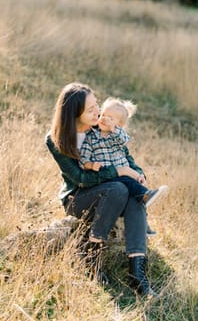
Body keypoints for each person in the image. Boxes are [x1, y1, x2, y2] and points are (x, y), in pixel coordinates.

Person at [46, 82, 156, 297]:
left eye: (96, 105)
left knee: (134, 196)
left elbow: (127, 159)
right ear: (74, 114)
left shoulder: (103, 126)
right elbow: (80, 179)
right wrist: (120, 171)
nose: (98, 112)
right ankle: (91, 259)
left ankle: (137, 273)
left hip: (113, 193)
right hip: (79, 198)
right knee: (118, 188)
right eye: (91, 110)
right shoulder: (56, 139)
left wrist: (136, 173)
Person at [78, 97, 168, 236]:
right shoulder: (91, 137)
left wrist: (114, 128)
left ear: (118, 125)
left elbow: (125, 139)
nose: (104, 119)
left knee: (133, 195)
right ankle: (145, 195)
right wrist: (91, 165)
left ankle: (144, 225)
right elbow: (83, 158)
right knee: (130, 186)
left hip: (124, 173)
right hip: (109, 175)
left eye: (110, 118)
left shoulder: (116, 136)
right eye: (103, 115)